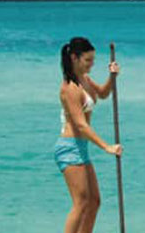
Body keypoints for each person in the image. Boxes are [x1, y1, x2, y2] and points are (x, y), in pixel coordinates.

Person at [56, 37, 121, 233]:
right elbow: (81, 126)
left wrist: (112, 77)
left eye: (93, 60)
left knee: (94, 201)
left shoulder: (85, 79)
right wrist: (106, 147)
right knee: (81, 202)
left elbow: (102, 94)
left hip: (81, 147)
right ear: (74, 58)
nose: (92, 64)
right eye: (88, 60)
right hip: (69, 148)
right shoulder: (69, 89)